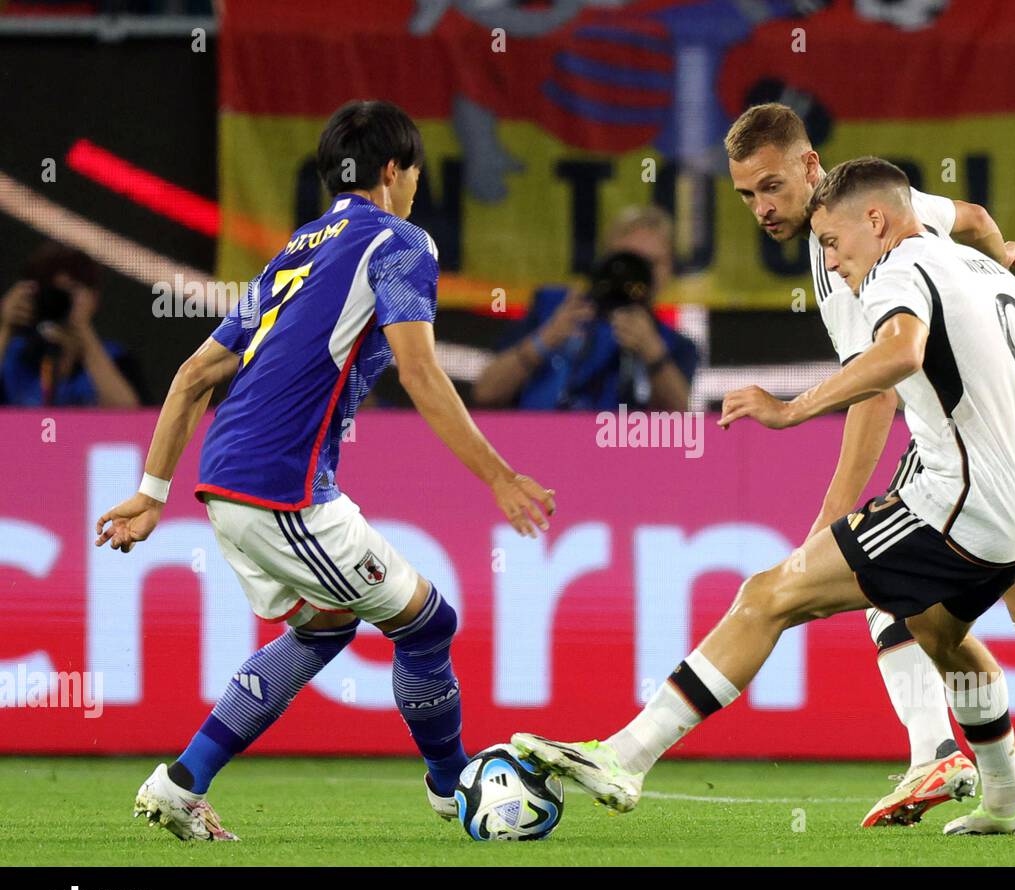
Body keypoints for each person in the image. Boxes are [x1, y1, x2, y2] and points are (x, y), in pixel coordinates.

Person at [512, 158, 1015, 837]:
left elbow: (897, 356)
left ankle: (625, 758)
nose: (831, 262)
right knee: (936, 630)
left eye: (834, 244)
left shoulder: (899, 270)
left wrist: (789, 410)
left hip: (962, 509)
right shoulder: (994, 276)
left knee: (767, 594)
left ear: (876, 221)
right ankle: (1009, 800)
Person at [94, 99, 556, 842]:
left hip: (231, 481)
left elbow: (193, 374)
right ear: (395, 170)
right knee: (430, 621)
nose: (414, 189)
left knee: (324, 627)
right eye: (414, 175)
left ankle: (181, 781)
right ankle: (456, 790)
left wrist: (152, 497)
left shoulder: (300, 250)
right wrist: (499, 476)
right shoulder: (400, 243)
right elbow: (421, 372)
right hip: (281, 489)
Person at [724, 103, 1015, 826]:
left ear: (810, 167)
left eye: (772, 187)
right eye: (747, 195)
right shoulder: (890, 204)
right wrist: (997, 265)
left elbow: (878, 390)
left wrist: (833, 516)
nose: (762, 208)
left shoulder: (842, 246)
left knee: (885, 582)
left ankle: (934, 750)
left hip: (983, 434)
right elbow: (970, 215)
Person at [473, 206, 697, 412]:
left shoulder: (675, 345)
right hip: (539, 445)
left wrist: (652, 351)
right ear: (606, 259)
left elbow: (681, 423)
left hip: (623, 450)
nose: (635, 272)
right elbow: (485, 393)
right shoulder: (550, 307)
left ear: (669, 270)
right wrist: (546, 339)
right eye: (628, 259)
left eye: (650, 263)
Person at [0, 243, 146, 408]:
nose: (61, 299)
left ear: (94, 298)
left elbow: (132, 417)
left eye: (72, 290)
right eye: (52, 290)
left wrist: (85, 338)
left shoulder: (117, 358)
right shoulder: (14, 355)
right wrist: (5, 327)